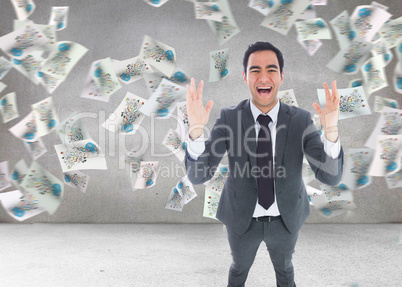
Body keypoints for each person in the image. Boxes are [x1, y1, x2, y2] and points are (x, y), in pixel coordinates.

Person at [185, 41, 344, 287]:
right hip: (241, 218)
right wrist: (195, 130)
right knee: (238, 269)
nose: (263, 77)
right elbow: (198, 175)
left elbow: (330, 177)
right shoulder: (229, 117)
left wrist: (331, 131)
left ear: (281, 76)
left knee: (285, 269)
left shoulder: (301, 120)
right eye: (255, 70)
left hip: (285, 217)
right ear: (245, 77)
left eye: (271, 70)